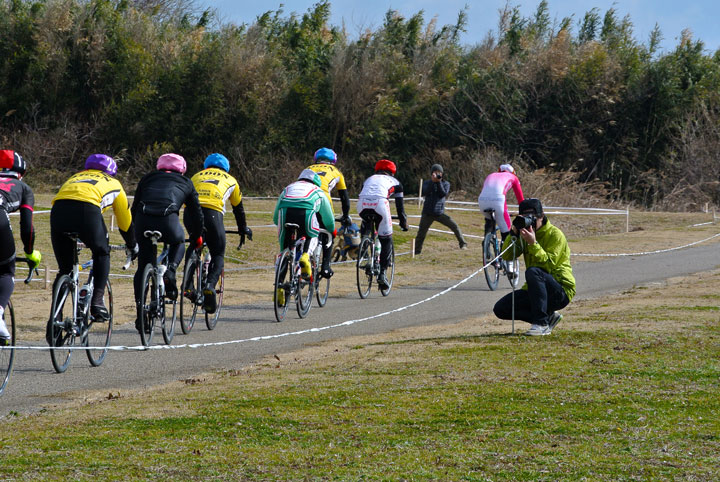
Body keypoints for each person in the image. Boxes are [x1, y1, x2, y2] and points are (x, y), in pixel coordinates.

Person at [50, 154, 137, 329]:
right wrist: (132, 244)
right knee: (102, 252)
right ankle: (97, 301)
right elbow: (125, 222)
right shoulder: (114, 183)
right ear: (111, 171)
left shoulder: (74, 177)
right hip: (87, 211)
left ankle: (54, 320)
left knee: (64, 270)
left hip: (58, 212)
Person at [131, 153, 203, 333]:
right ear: (183, 169)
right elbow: (196, 213)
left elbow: (134, 206)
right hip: (167, 221)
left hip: (143, 221)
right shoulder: (186, 182)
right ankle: (170, 270)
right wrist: (197, 236)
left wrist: (134, 232)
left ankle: (140, 311)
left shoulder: (147, 178)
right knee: (178, 242)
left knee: (143, 267)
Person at [493, 198, 575, 336]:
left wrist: (533, 244)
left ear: (541, 216)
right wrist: (513, 233)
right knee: (501, 308)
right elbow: (507, 256)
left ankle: (541, 324)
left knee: (533, 271)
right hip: (536, 290)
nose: (529, 223)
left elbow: (549, 265)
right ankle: (548, 318)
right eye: (524, 219)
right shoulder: (523, 234)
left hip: (560, 290)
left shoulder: (555, 235)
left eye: (532, 219)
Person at [188, 153, 252, 313]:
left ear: (206, 166)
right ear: (226, 168)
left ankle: (187, 284)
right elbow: (238, 209)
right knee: (218, 253)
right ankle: (210, 285)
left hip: (190, 214)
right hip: (212, 214)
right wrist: (242, 228)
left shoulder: (196, 176)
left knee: (194, 242)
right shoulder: (231, 180)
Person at [272, 169, 335, 304]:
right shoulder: (318, 191)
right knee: (314, 233)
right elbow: (329, 220)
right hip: (305, 213)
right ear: (316, 182)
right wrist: (331, 230)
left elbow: (275, 217)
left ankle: (278, 287)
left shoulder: (288, 188)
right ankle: (306, 255)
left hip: (285, 215)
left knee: (284, 251)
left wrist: (281, 225)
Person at [0, 150, 41, 343]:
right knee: (5, 271)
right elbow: (27, 227)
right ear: (21, 172)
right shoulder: (23, 188)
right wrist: (30, 252)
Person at [356, 159, 409, 290]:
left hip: (361, 205)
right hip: (380, 204)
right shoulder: (396, 183)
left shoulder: (368, 179)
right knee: (386, 240)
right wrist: (403, 223)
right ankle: (382, 273)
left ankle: (365, 249)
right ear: (392, 172)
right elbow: (400, 207)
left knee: (367, 221)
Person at [303, 147, 349, 278]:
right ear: (333, 160)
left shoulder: (308, 169)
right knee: (329, 232)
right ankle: (325, 266)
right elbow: (344, 199)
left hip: (303, 199)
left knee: (306, 230)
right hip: (322, 200)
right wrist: (345, 216)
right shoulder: (337, 172)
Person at [414, 163, 467, 255]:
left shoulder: (445, 183)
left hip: (439, 213)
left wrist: (438, 182)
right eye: (435, 172)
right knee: (421, 234)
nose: (438, 174)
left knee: (454, 226)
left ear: (442, 174)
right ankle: (416, 251)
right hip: (427, 213)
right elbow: (425, 192)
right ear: (431, 173)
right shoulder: (427, 183)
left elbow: (443, 194)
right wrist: (433, 182)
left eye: (439, 172)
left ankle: (463, 244)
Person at [478, 164, 524, 245]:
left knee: (489, 220)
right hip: (498, 200)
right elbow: (520, 198)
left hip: (482, 200)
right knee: (507, 232)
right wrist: (523, 211)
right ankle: (505, 255)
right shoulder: (513, 177)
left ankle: (486, 242)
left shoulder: (490, 175)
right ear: (513, 172)